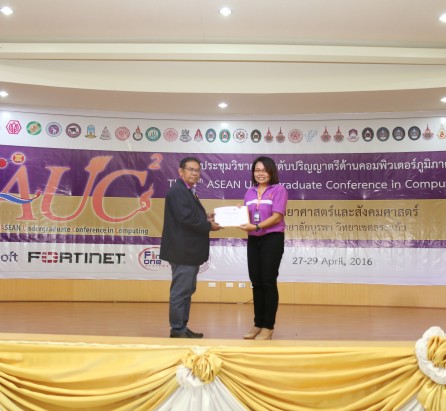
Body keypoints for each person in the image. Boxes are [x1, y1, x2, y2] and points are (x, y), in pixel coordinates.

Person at [160, 157, 221, 338]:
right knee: (180, 292)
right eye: (191, 170)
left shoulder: (187, 190)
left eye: (197, 170)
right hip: (182, 251)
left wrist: (206, 217)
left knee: (186, 291)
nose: (195, 173)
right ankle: (177, 329)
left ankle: (182, 327)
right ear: (181, 171)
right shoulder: (178, 191)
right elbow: (185, 219)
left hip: (188, 251)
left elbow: (189, 215)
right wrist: (209, 226)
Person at [240, 156, 288, 340]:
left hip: (272, 239)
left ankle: (268, 326)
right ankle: (257, 324)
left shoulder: (278, 189)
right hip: (254, 239)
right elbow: (246, 215)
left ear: (271, 172)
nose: (260, 173)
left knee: (268, 281)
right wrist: (238, 213)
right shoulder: (250, 191)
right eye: (257, 170)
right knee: (256, 282)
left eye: (264, 170)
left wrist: (258, 226)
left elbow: (277, 216)